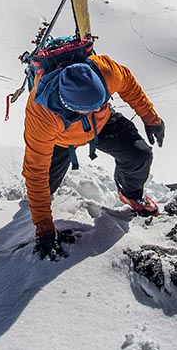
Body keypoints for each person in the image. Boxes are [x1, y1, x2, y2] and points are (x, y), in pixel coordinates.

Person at [22, 54, 165, 260]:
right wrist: (44, 229)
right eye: (90, 108)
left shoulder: (105, 71)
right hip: (60, 139)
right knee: (45, 185)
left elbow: (129, 85)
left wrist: (152, 119)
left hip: (102, 124)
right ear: (67, 105)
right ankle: (41, 207)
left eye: (101, 102)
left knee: (139, 155)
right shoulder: (42, 113)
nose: (97, 108)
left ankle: (131, 194)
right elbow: (36, 171)